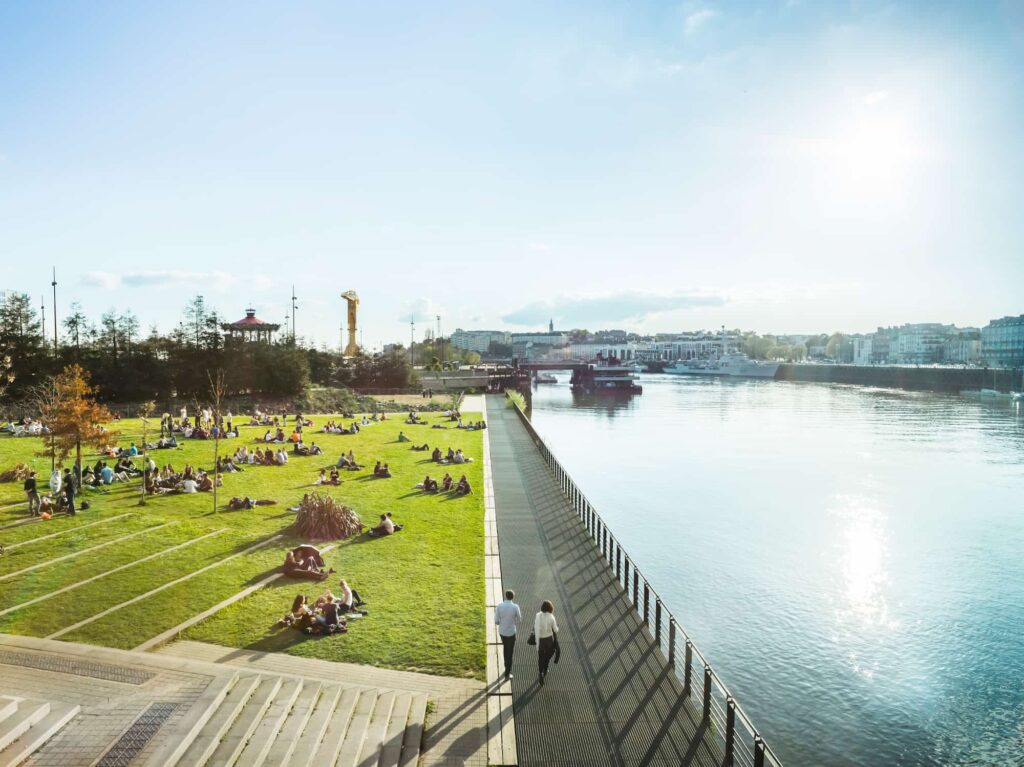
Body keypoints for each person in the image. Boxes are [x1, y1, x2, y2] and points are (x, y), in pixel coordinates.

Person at [494, 589, 522, 681]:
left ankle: (506, 667)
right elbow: (519, 619)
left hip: (502, 632)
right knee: (509, 652)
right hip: (511, 633)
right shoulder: (515, 607)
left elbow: (496, 621)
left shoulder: (499, 606)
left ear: (505, 596)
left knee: (506, 649)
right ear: (513, 597)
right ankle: (507, 673)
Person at [534, 600, 559, 685]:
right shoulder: (551, 617)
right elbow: (555, 629)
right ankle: (546, 667)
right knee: (549, 654)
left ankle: (540, 673)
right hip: (549, 640)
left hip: (540, 640)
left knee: (541, 657)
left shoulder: (538, 615)